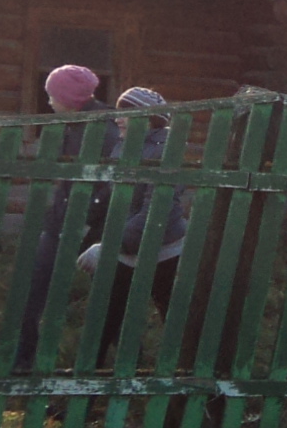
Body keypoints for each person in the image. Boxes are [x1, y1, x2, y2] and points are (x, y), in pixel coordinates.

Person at [75, 86, 190, 364]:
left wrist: (109, 245)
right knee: (104, 322)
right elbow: (117, 198)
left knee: (178, 328)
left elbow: (155, 211)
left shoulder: (166, 150)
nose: (118, 119)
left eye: (125, 113)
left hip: (165, 252)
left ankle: (190, 384)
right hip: (126, 250)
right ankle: (86, 385)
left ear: (147, 118)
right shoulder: (123, 146)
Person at [13, 62, 107, 369]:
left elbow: (108, 183)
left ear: (68, 98)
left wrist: (87, 221)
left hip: (96, 226)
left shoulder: (102, 127)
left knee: (109, 295)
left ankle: (101, 363)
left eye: (53, 95)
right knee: (32, 283)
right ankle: (23, 359)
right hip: (61, 221)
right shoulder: (70, 124)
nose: (49, 102)